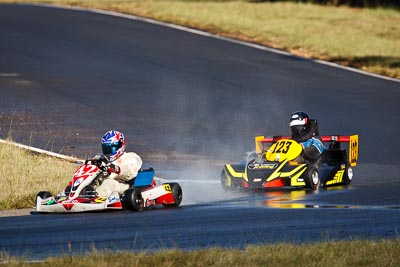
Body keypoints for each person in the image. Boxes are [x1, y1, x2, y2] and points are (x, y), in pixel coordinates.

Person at [96, 130, 143, 197]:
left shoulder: (131, 157)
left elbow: (130, 171)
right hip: (102, 182)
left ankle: (95, 199)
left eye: (111, 148)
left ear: (121, 145)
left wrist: (117, 169)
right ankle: (82, 196)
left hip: (122, 185)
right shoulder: (102, 158)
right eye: (106, 148)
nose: (109, 151)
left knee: (109, 183)